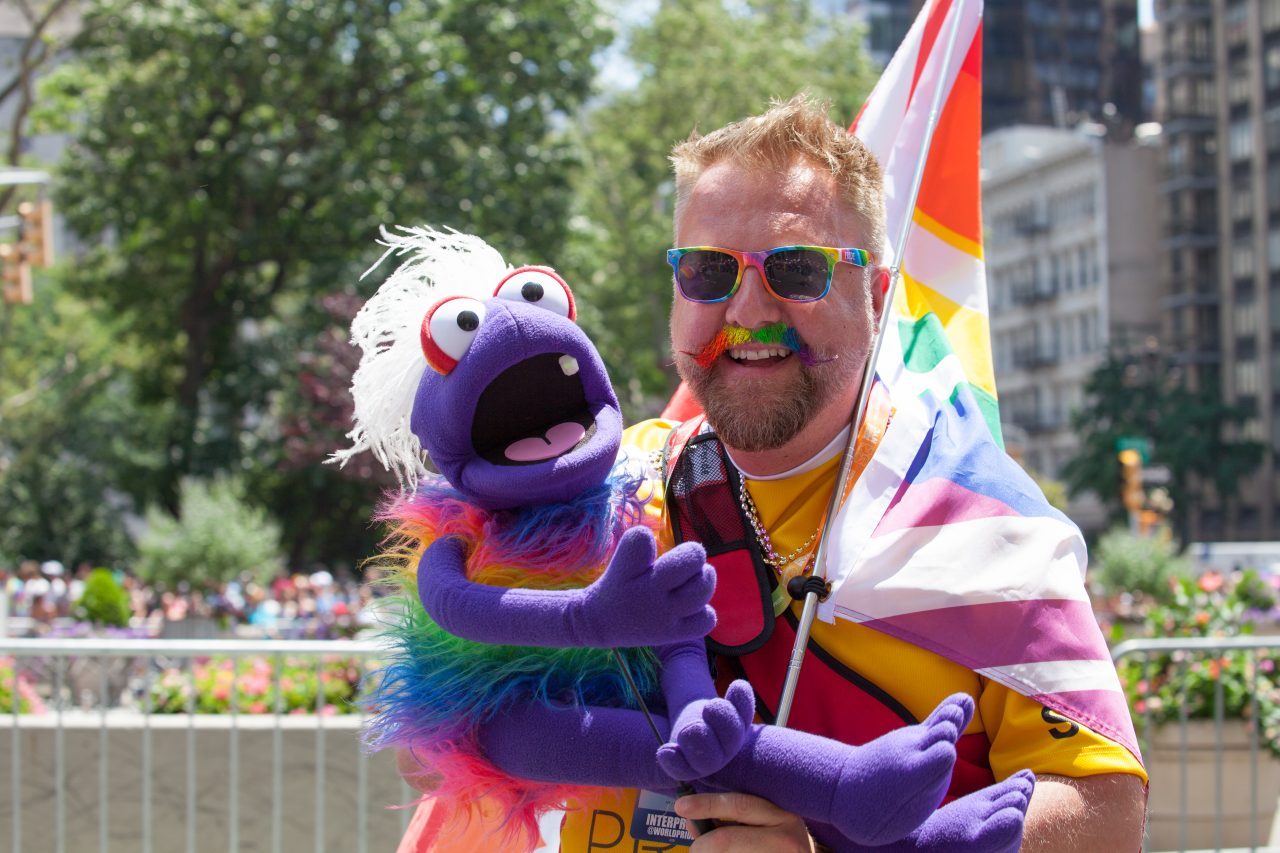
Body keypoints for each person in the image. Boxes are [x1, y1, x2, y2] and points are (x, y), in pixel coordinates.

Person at [399, 96, 1147, 851]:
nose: (747, 309)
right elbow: (427, 751)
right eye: (706, 271)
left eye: (797, 269)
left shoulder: (986, 524)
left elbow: (1104, 810)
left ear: (879, 297)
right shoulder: (609, 483)